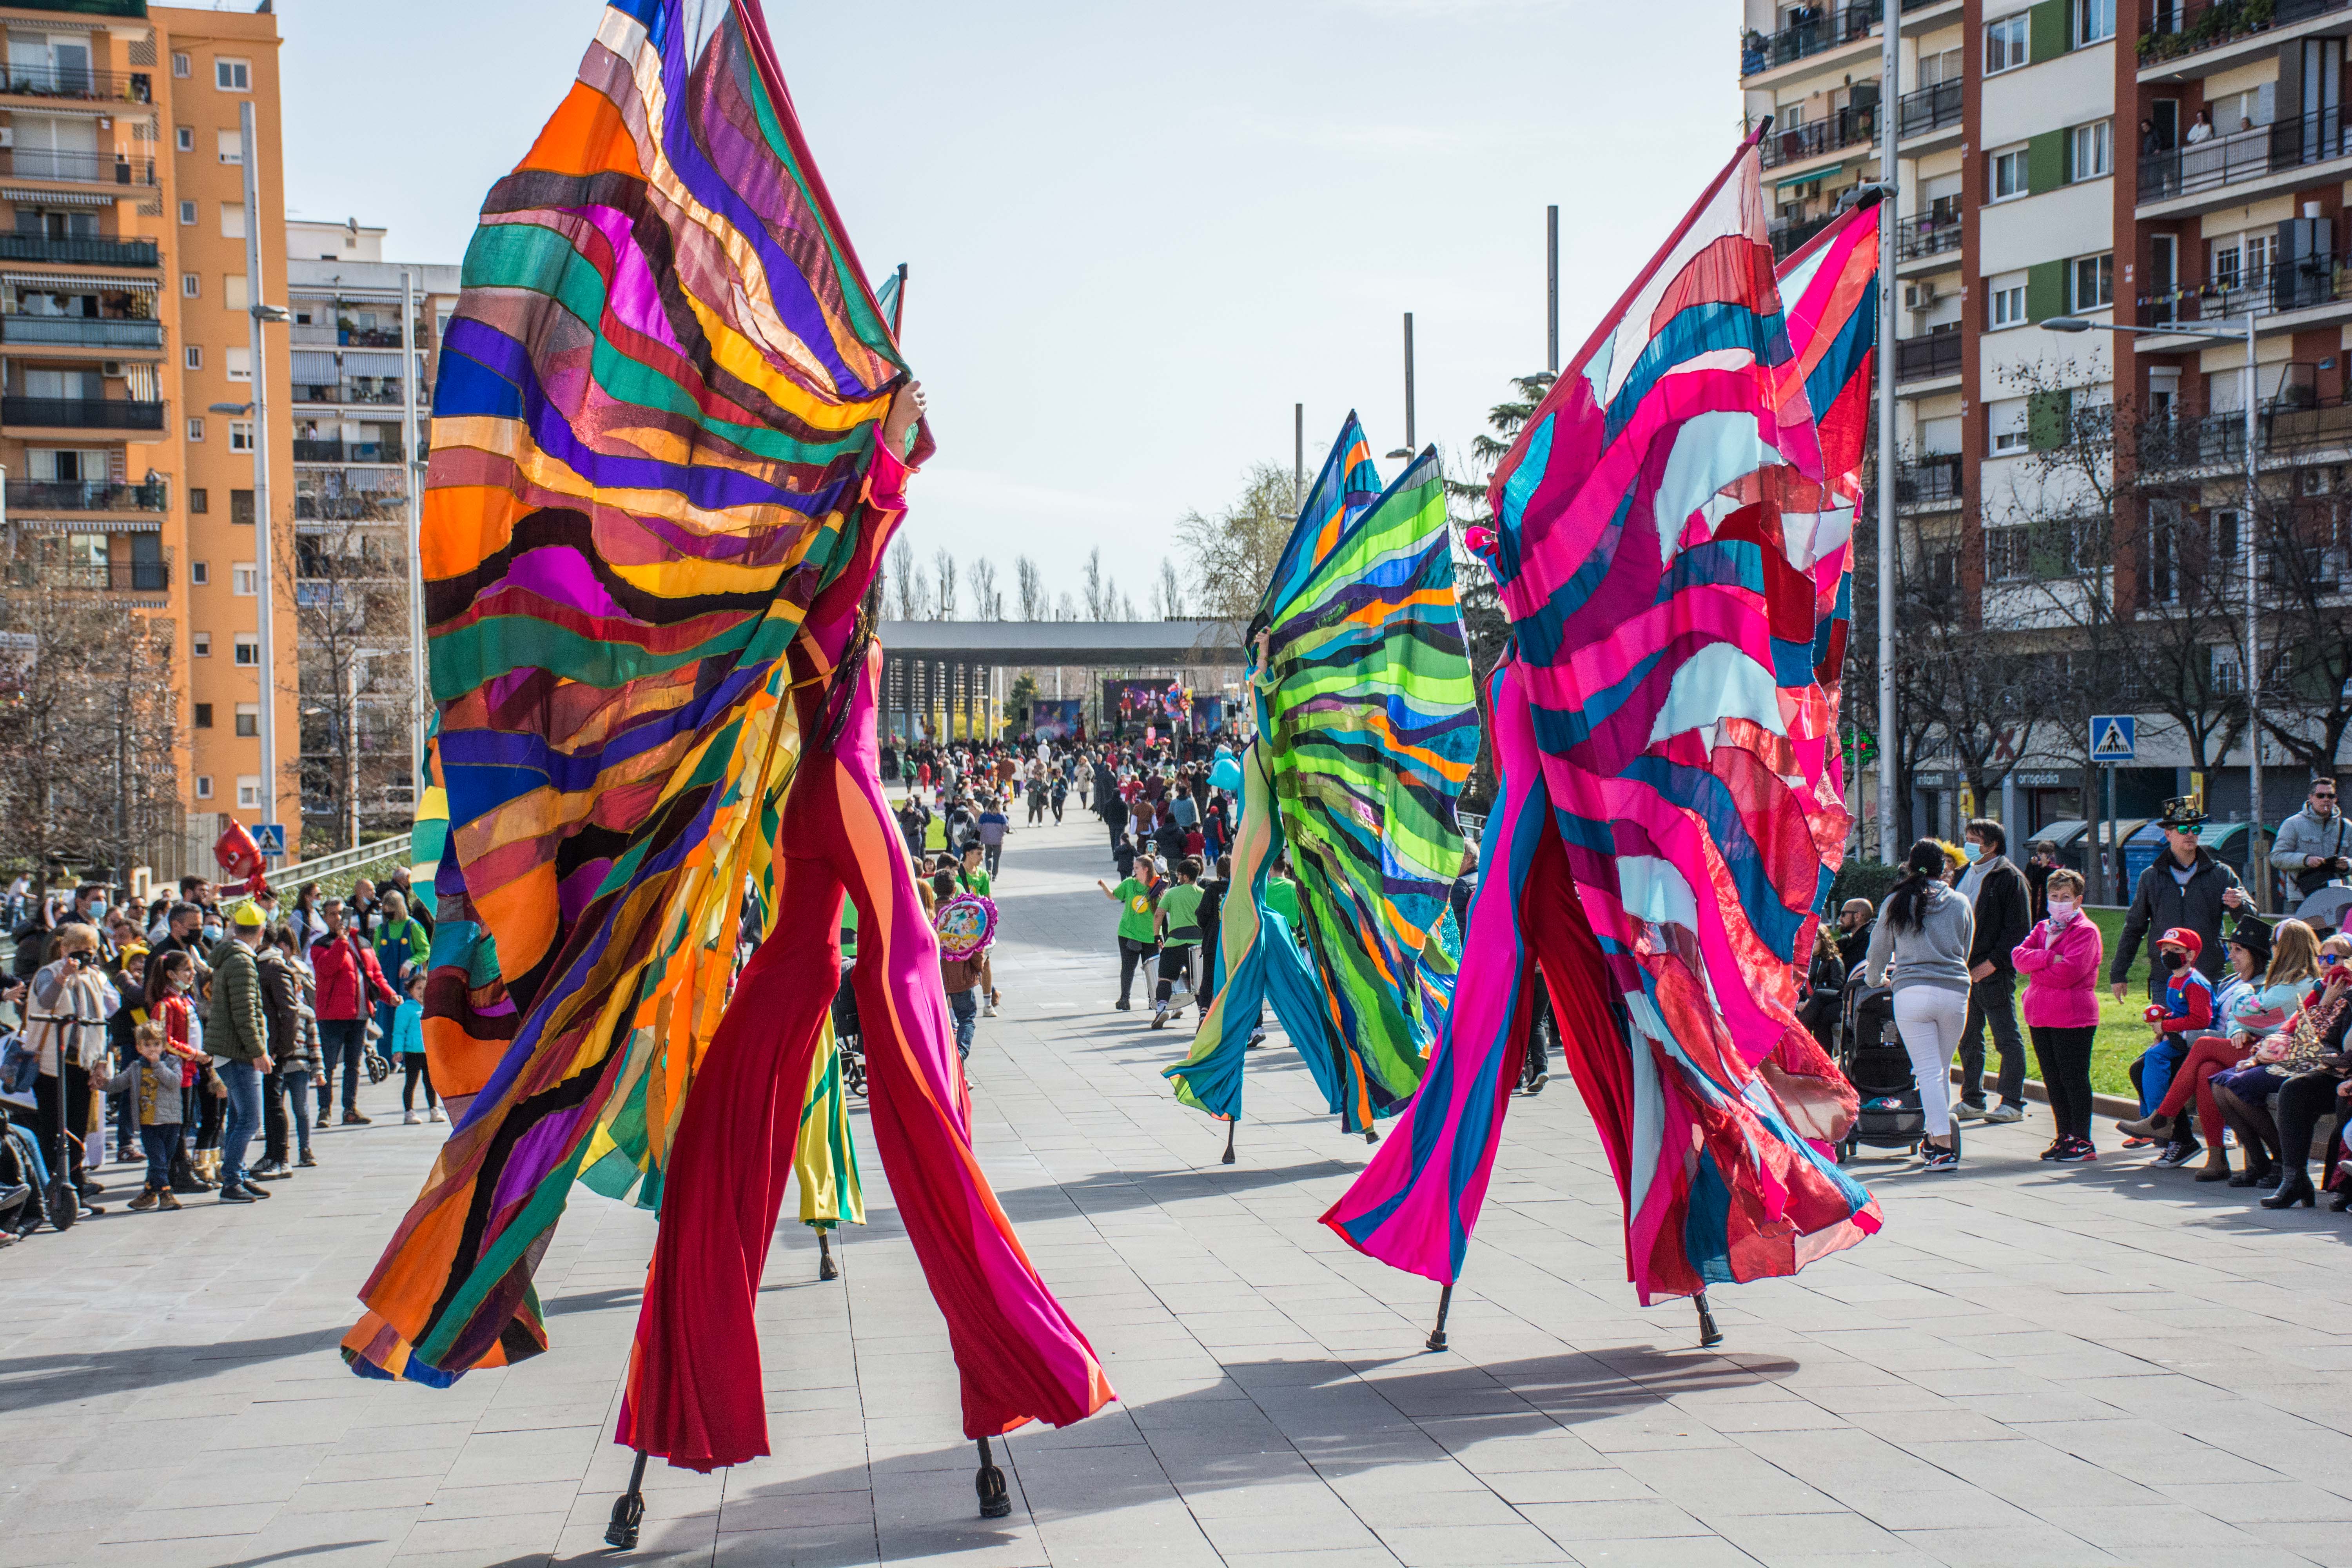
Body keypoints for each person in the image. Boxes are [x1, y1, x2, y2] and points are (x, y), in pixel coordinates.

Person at [2121, 918, 2319, 1181]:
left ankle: (2163, 1119)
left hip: (2275, 1053)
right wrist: (2238, 1028)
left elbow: (2249, 1012)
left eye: (2238, 950)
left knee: (2203, 1049)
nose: (2230, 956)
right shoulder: (2237, 981)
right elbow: (2240, 1018)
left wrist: (2242, 1007)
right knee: (2207, 1070)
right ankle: (2217, 1159)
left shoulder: (2289, 984)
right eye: (2231, 949)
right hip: (2247, 1047)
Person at [1864, 840, 1977, 1172]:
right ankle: (1932, 1138)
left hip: (1912, 990)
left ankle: (1942, 1145)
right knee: (1941, 1070)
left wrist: (1874, 980)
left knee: (1928, 1072)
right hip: (1954, 991)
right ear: (1944, 868)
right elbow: (1965, 948)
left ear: (1910, 866)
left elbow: (1879, 949)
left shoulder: (1897, 901)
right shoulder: (1960, 902)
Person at [2110, 800, 2246, 1018]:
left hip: (2208, 975)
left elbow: (2250, 920)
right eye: (2183, 829)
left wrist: (2240, 905)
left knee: (2207, 1034)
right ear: (2168, 834)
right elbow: (2134, 928)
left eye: (2195, 829)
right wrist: (2118, 973)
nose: (2190, 834)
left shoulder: (2221, 873)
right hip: (2166, 976)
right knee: (2167, 1033)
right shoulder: (2151, 877)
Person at [25, 924, 121, 1212]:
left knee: (78, 1130)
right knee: (54, 1130)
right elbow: (45, 1002)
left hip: (83, 1065)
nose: (84, 956)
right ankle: (48, 1194)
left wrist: (102, 1062)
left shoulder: (95, 977)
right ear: (64, 949)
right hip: (51, 1065)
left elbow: (103, 1023)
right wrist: (63, 977)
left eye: (90, 951)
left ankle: (75, 1191)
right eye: (77, 950)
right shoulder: (48, 973)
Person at [2013, 868, 2103, 1162]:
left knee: (2073, 1079)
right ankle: (2064, 1134)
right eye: (2055, 896)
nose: (2060, 901)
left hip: (2073, 1016)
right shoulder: (2043, 928)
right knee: (2053, 1080)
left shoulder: (2086, 931)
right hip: (2041, 1014)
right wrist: (2050, 958)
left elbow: (2070, 973)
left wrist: (2037, 969)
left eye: (2066, 897)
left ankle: (2082, 1139)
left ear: (2078, 900)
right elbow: (2019, 958)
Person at [1953, 818, 2033, 1126]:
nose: (1969, 845)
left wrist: (1994, 963)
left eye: (1976, 840)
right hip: (1963, 970)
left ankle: (2012, 1102)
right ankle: (1972, 1098)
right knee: (1968, 1037)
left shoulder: (2009, 878)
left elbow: (2018, 930)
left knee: (2006, 1037)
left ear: (1993, 845)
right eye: (1967, 838)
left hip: (1993, 971)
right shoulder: (1962, 874)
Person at [310, 899, 397, 1126]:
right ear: (325, 918)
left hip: (359, 1015)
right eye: (332, 915)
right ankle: (324, 1111)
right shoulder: (321, 944)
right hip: (332, 1015)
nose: (338, 918)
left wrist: (390, 995)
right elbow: (328, 969)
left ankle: (350, 1109)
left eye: (341, 913)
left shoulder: (363, 942)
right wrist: (341, 941)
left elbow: (375, 976)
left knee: (353, 1065)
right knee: (328, 1066)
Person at [206, 904, 273, 1203]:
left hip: (228, 1050)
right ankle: (231, 1180)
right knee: (250, 1120)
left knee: (237, 1118)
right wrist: (259, 1051)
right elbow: (245, 1013)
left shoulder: (230, 957)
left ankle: (239, 1174)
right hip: (238, 1052)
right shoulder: (242, 962)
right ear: (262, 931)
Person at [107, 1019, 187, 1212]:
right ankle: (166, 1194)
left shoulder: (172, 1062)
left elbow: (174, 1082)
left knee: (163, 1160)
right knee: (157, 1160)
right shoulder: (136, 1067)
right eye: (147, 1045)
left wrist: (158, 1065)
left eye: (157, 1044)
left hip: (170, 1120)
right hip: (148, 1122)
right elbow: (118, 1084)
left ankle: (149, 1193)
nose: (152, 1049)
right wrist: (101, 1084)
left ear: (164, 1045)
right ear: (139, 1047)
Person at [2273, 776, 2350, 926]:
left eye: (2331, 796)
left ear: (2336, 799)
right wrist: (2306, 860)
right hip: (2303, 895)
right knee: (2307, 937)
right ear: (2311, 798)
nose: (2326, 800)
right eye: (2321, 796)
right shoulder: (2293, 824)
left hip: (2337, 895)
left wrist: (2347, 865)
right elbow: (2277, 857)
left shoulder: (2347, 826)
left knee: (2336, 938)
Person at [935, 870, 985, 1080]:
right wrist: (978, 967)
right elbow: (974, 946)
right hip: (960, 977)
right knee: (967, 1018)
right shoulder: (962, 915)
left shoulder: (928, 913)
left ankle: (949, 1067)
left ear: (934, 889)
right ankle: (960, 1054)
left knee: (940, 1023)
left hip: (935, 979)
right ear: (955, 889)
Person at [1098, 855, 1162, 1012]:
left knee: (1152, 969)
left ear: (1146, 869)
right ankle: (1125, 999)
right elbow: (1113, 895)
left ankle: (1153, 999)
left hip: (1151, 935)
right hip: (1129, 933)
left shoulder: (1157, 887)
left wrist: (1163, 898)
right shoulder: (1129, 884)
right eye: (1134, 868)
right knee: (1128, 967)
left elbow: (1163, 910)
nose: (1134, 871)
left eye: (1137, 868)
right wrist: (1104, 886)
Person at [1152, 857, 1207, 1029]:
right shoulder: (1204, 894)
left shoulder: (1172, 893)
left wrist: (1157, 936)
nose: (1178, 878)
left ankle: (1162, 1008)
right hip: (1197, 945)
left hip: (1175, 943)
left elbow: (1158, 915)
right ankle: (1203, 1014)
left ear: (1184, 876)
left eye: (1180, 875)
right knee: (1198, 982)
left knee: (1165, 978)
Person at [392, 971, 438, 1125]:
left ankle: (434, 1109)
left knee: (430, 1083)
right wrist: (397, 1050)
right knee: (411, 1083)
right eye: (419, 988)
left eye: (426, 988)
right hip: (413, 1053)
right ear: (411, 990)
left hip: (429, 1053)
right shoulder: (405, 1009)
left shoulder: (433, 1007)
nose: (422, 992)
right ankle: (409, 1112)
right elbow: (399, 1032)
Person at [1797, 920, 1845, 1051]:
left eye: (1816, 939)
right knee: (1817, 1017)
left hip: (1833, 1001)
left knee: (1819, 997)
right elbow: (1801, 987)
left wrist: (1810, 1002)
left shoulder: (1834, 960)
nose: (1812, 943)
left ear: (1824, 940)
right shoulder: (1808, 961)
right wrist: (1800, 1003)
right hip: (1814, 1004)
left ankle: (1798, 1037)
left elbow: (1838, 988)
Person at [1835, 898, 1875, 972]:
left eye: (1843, 914)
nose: (1840, 918)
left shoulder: (1869, 940)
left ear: (1857, 916)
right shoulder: (1848, 941)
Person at [2022, 840, 2060, 920]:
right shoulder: (2036, 867)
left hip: (2046, 903)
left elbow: (2046, 882)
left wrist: (2045, 866)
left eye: (2046, 853)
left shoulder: (2055, 870)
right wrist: (2031, 865)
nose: (2042, 856)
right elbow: (2028, 880)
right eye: (2040, 853)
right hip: (2034, 902)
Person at [976, 797, 1010, 876]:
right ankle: (995, 875)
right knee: (996, 858)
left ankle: (988, 870)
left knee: (988, 856)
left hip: (987, 840)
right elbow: (1006, 828)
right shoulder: (1001, 816)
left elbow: (979, 828)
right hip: (998, 840)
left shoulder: (984, 815)